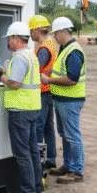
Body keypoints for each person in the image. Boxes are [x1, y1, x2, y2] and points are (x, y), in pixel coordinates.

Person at [0, 21, 43, 193]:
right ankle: (36, 190)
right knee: (32, 152)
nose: (7, 41)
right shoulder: (29, 55)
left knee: (22, 154)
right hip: (31, 108)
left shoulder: (21, 57)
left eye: (8, 38)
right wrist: (7, 72)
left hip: (20, 111)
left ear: (16, 38)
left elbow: (15, 84)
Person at [40, 17, 86, 184]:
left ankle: (77, 170)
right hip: (62, 99)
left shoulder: (73, 51)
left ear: (64, 32)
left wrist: (49, 80)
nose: (54, 37)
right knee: (65, 134)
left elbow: (72, 79)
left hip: (70, 100)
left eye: (56, 34)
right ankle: (68, 165)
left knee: (72, 136)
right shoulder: (64, 49)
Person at [29, 14, 58, 170]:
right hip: (48, 92)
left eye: (32, 30)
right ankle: (51, 159)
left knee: (39, 128)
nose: (30, 34)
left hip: (42, 92)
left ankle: (39, 160)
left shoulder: (44, 49)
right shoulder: (51, 44)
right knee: (48, 128)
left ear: (38, 31)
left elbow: (36, 69)